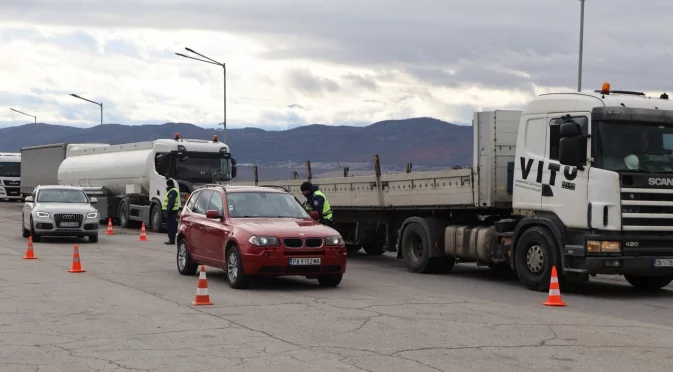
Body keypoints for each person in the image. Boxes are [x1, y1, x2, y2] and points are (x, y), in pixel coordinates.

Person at [162, 179, 181, 245]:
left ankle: (171, 240)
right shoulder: (172, 190)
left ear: (169, 184)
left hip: (171, 211)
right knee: (171, 225)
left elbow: (171, 202)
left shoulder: (173, 191)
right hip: (172, 211)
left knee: (171, 226)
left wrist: (168, 211)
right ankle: (171, 239)